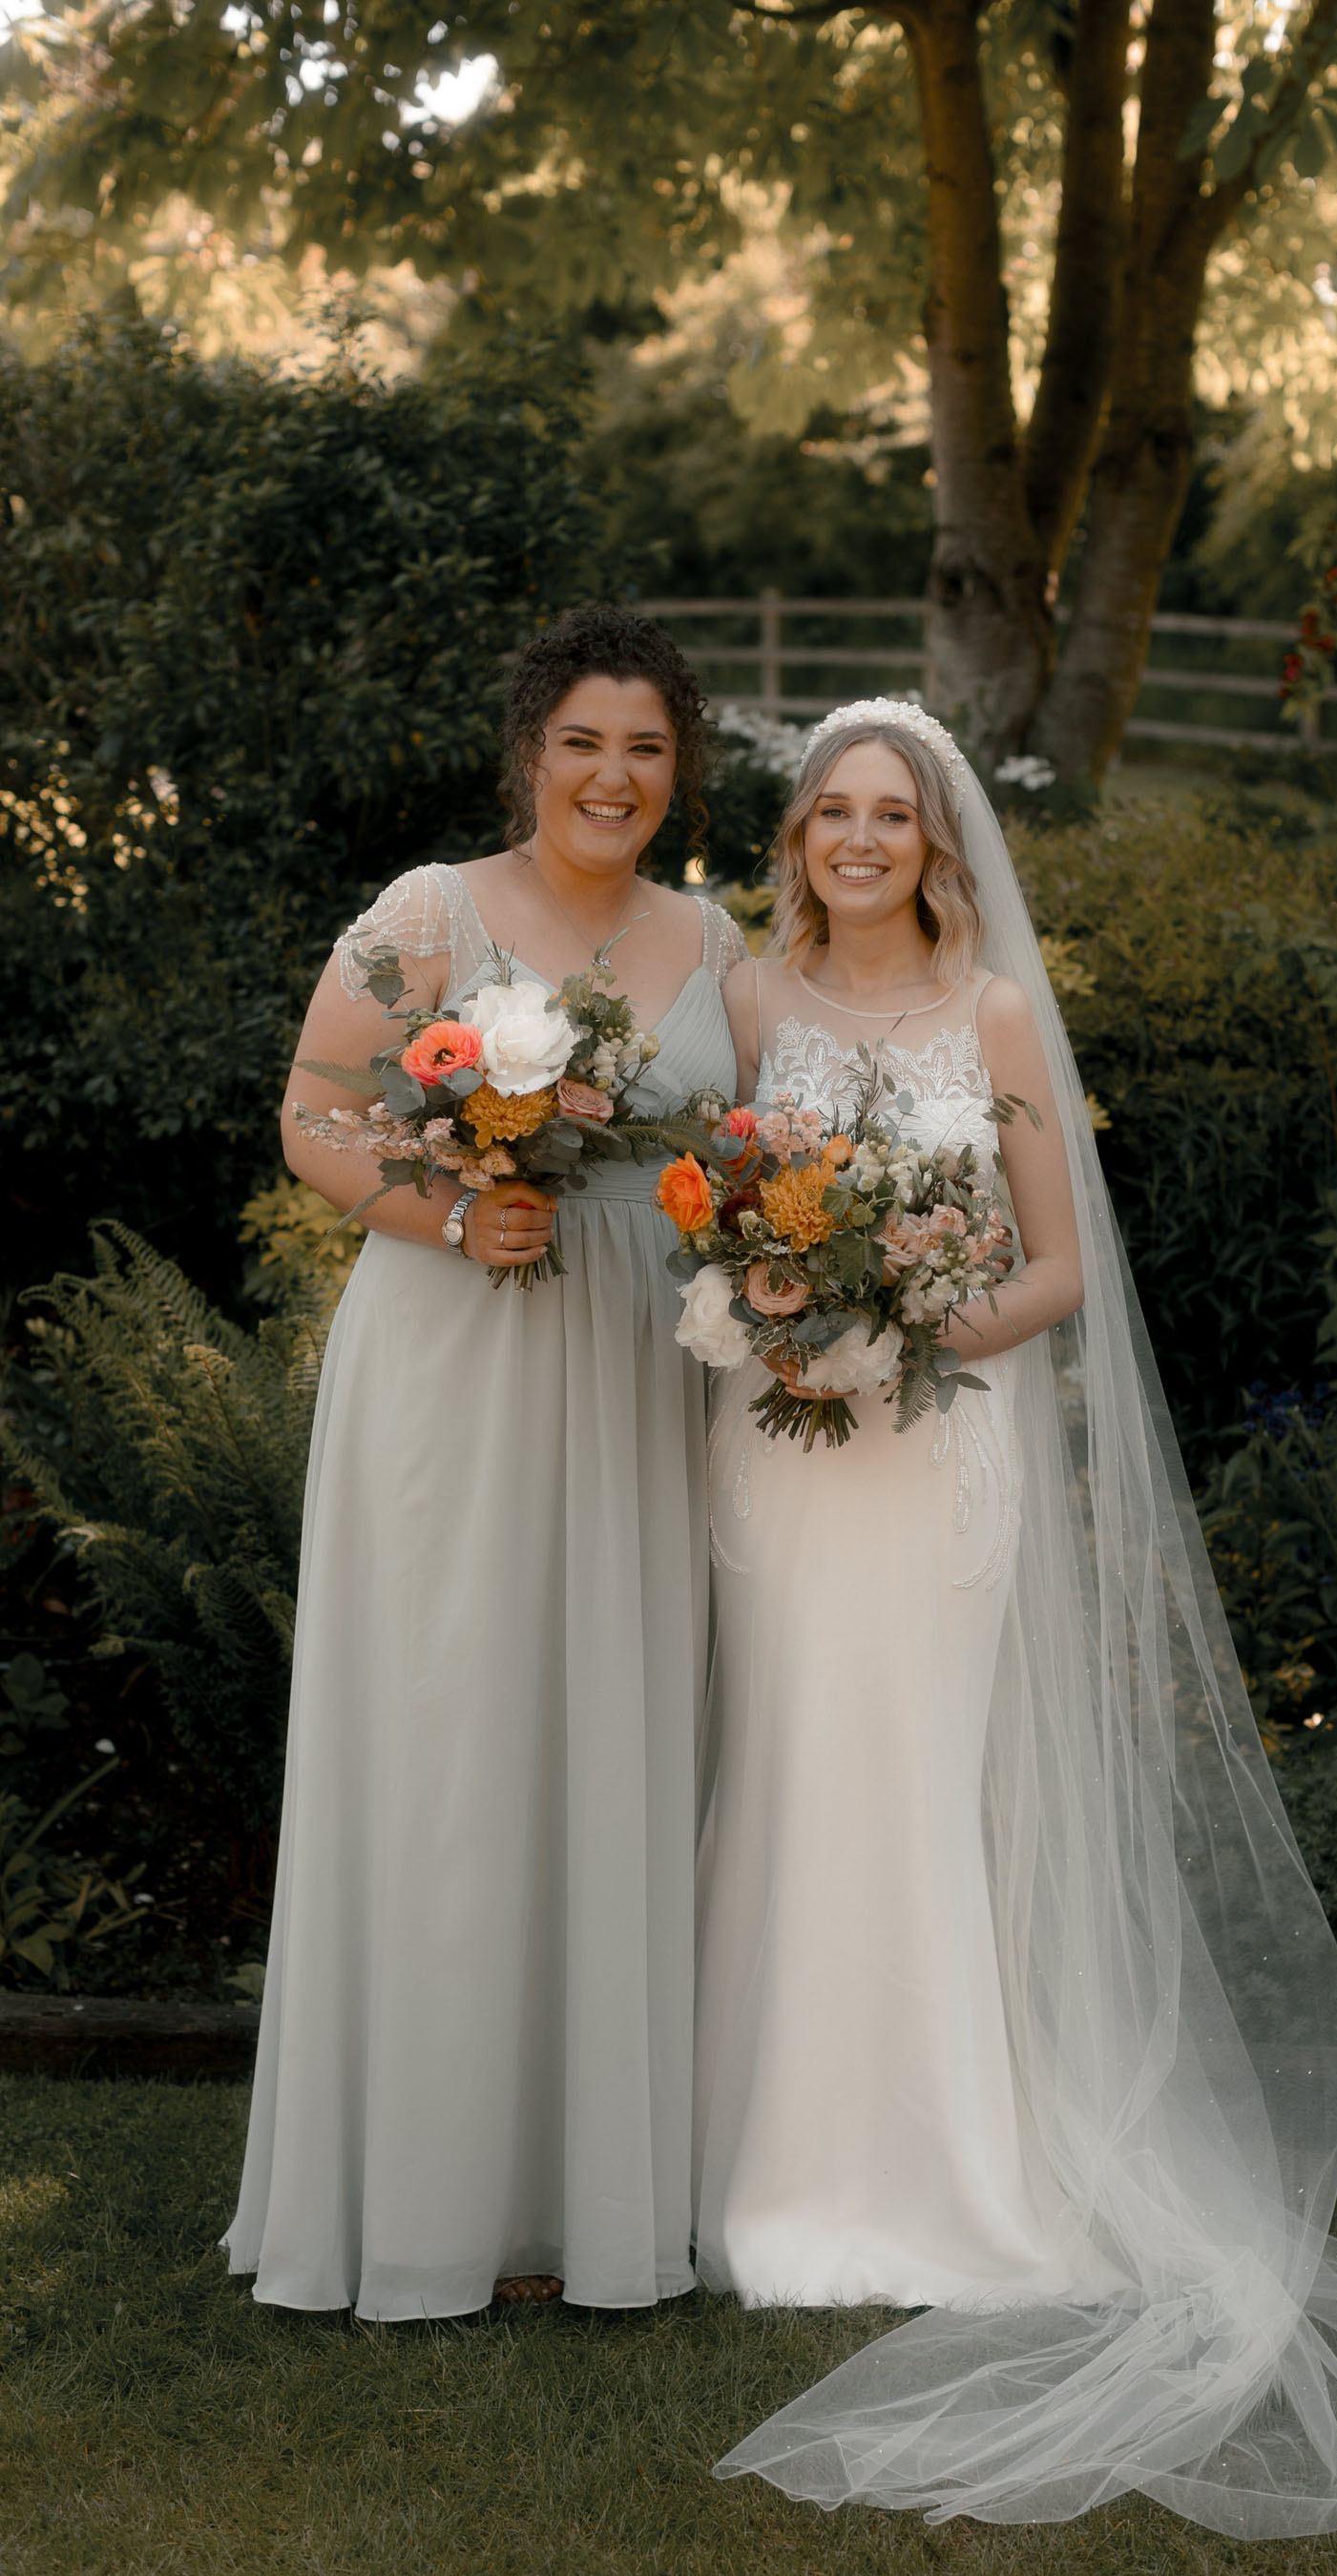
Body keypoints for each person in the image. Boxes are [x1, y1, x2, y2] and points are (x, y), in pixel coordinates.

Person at [692, 699, 1337, 2535]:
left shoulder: (991, 1016)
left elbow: (1058, 1269)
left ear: (938, 840)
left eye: (889, 815)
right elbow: (722, 1212)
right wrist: (780, 1302)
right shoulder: (748, 1005)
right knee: (786, 1780)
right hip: (780, 1454)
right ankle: (762, 2172)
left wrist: (907, 1323)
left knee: (917, 1792)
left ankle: (947, 2179)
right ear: (796, 836)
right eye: (829, 811)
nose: (856, 840)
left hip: (936, 1461)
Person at [224, 605, 747, 2320]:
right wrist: (451, 1207)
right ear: (532, 751)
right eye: (585, 742)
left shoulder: (716, 936)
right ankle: (428, 2202)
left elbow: (740, 1152)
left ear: (682, 768)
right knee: (451, 1746)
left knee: (610, 1736)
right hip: (456, 1345)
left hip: (633, 1368)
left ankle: (590, 2207)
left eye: (648, 747)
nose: (615, 775)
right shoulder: (428, 915)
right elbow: (313, 1111)